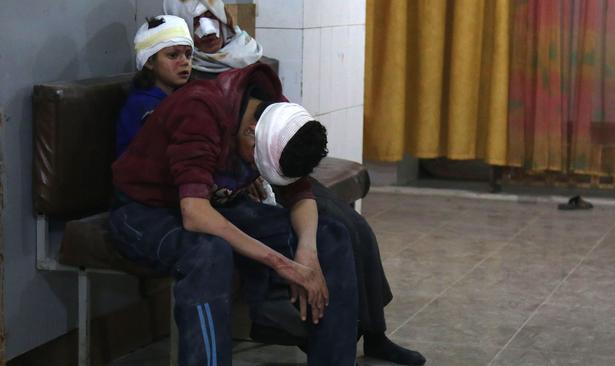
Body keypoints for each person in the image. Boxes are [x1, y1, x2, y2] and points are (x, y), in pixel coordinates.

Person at [164, 1, 426, 364]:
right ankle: (294, 321)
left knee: (351, 227)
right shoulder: (194, 100)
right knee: (332, 231)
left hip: (266, 173)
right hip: (240, 185)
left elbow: (293, 180)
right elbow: (195, 191)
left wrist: (307, 249)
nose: (208, 35)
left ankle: (370, 333)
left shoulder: (260, 89)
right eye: (198, 29)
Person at [110, 62, 358, 366]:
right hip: (144, 210)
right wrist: (282, 264)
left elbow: (299, 194)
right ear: (251, 133)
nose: (253, 170)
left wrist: (307, 252)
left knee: (329, 235)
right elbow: (195, 214)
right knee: (208, 253)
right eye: (257, 162)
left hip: (213, 204)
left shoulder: (278, 114)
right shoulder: (199, 110)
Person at [115, 15, 194, 157]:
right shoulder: (142, 106)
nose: (185, 62)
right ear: (149, 61)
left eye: (188, 55)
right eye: (173, 55)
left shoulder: (185, 96)